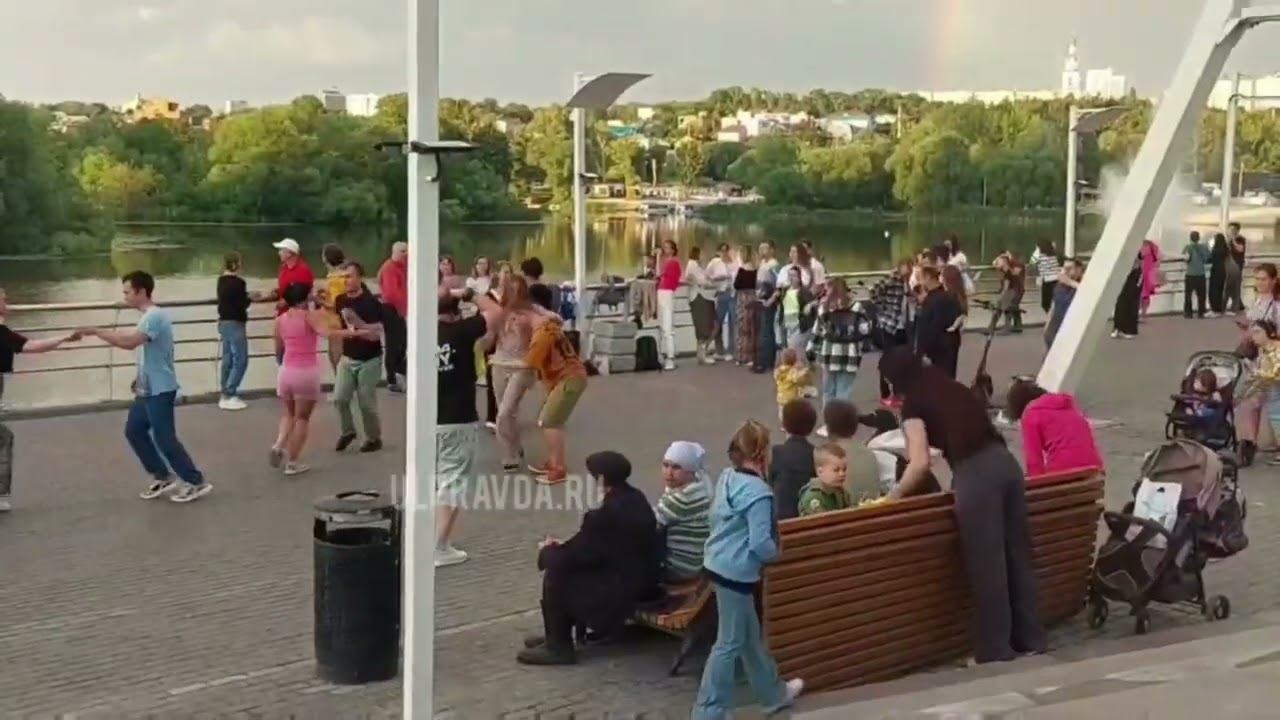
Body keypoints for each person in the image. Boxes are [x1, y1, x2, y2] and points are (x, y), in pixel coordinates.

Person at [879, 347, 1046, 663]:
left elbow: (919, 463)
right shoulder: (952, 387)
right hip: (1006, 466)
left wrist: (893, 496)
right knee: (1017, 556)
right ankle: (1032, 638)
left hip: (975, 475)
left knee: (988, 565)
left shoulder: (913, 404)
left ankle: (995, 649)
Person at [693, 421, 804, 718]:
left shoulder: (728, 478)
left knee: (749, 638)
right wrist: (777, 554)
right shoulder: (759, 493)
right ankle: (709, 710)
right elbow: (760, 543)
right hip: (738, 573)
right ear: (761, 453)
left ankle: (773, 693)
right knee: (729, 643)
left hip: (718, 564)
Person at [78, 271, 211, 503]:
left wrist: (97, 331)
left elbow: (130, 343)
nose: (125, 296)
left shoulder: (154, 317)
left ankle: (195, 481)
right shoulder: (146, 316)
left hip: (160, 389)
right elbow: (147, 353)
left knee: (165, 438)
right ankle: (162, 475)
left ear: (141, 291)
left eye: (127, 292)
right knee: (134, 431)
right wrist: (138, 378)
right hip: (147, 387)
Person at [517, 451, 659, 666]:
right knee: (562, 564)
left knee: (556, 573)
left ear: (602, 479)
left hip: (620, 587)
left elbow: (580, 554)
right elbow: (594, 547)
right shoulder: (636, 498)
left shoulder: (603, 515)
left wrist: (549, 551)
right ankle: (556, 633)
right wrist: (565, 546)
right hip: (642, 577)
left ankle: (559, 645)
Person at [436, 283, 507, 566]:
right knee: (453, 482)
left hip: (427, 418)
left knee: (436, 480)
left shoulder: (418, 332)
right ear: (456, 313)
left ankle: (429, 539)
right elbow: (496, 312)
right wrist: (467, 293)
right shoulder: (461, 331)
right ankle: (438, 545)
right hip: (458, 416)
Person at [272, 282, 371, 476]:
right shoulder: (309, 317)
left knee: (288, 413)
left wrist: (281, 364)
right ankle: (292, 462)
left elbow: (278, 347)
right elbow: (329, 333)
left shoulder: (280, 320)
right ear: (304, 298)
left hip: (286, 371)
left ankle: (278, 444)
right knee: (302, 418)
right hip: (306, 372)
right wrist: (357, 332)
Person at [0, 287, 81, 511]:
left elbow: (31, 346)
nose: (7, 301)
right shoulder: (2, 333)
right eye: (2, 299)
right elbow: (33, 347)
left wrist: (63, 338)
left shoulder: (4, 333)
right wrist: (65, 337)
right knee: (3, 438)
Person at [490, 275, 555, 473]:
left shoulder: (532, 309)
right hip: (499, 364)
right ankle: (514, 446)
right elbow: (487, 336)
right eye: (510, 289)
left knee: (504, 413)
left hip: (523, 366)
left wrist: (538, 323)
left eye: (518, 289)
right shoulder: (498, 311)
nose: (514, 294)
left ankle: (509, 454)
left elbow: (555, 319)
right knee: (506, 414)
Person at [526, 312, 589, 485]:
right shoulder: (551, 328)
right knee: (554, 420)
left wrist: (500, 361)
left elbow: (528, 364)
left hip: (568, 378)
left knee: (549, 421)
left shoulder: (541, 335)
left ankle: (559, 468)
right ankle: (554, 462)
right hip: (572, 376)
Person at [333, 262, 385, 454]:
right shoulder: (339, 300)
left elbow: (376, 334)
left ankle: (373, 438)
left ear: (360, 278)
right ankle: (348, 431)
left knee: (366, 402)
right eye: (344, 276)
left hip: (369, 359)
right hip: (348, 357)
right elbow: (338, 328)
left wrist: (357, 323)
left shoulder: (371, 303)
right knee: (339, 398)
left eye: (350, 276)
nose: (346, 280)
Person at [1004, 379, 1103, 477]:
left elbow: (1034, 462)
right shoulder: (1069, 407)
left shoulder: (1031, 413)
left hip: (1063, 471)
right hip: (1094, 470)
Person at [1231, 265, 1280, 463]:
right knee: (1252, 402)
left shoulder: (1276, 306)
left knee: (1274, 405)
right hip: (1256, 358)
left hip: (1273, 359)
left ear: (1273, 280)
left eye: (1263, 279)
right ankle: (1250, 442)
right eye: (1257, 279)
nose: (1260, 283)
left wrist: (1266, 337)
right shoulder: (1256, 302)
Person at [654, 441, 712, 583]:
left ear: (690, 471)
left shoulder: (684, 498)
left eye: (676, 467)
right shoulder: (700, 487)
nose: (669, 472)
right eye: (665, 465)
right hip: (696, 562)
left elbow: (649, 521)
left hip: (681, 568)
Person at [807, 278, 863, 421]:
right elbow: (865, 329)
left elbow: (817, 333)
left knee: (828, 391)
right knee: (844, 391)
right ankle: (842, 422)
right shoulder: (857, 307)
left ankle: (829, 423)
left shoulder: (824, 308)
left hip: (829, 354)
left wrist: (811, 353)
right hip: (850, 354)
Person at [870, 260, 915, 408]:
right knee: (888, 359)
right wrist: (882, 309)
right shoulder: (892, 278)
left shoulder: (911, 281)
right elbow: (873, 291)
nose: (908, 272)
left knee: (903, 359)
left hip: (905, 325)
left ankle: (899, 392)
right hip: (890, 325)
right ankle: (885, 393)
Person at [767, 399, 818, 521]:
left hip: (781, 520)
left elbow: (770, 483)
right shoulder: (816, 454)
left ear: (784, 424)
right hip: (807, 517)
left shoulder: (776, 453)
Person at [822, 400, 882, 504]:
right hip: (872, 514)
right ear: (855, 428)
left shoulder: (824, 458)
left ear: (827, 428)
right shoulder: (870, 455)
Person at [216, 252, 251, 410]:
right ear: (236, 265)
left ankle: (225, 391)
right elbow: (241, 303)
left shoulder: (221, 281)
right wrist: (251, 298)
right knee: (241, 359)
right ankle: (230, 392)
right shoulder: (238, 283)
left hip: (223, 322)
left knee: (228, 359)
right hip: (236, 322)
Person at [914, 266, 962, 379]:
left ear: (928, 278)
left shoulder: (936, 300)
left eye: (920, 278)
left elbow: (932, 328)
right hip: (947, 346)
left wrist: (923, 351)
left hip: (938, 350)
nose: (919, 282)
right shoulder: (945, 297)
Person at [377, 242, 409, 393]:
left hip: (398, 309)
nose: (406, 254)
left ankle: (398, 371)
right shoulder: (390, 267)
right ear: (394, 252)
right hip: (391, 309)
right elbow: (392, 293)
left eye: (407, 251)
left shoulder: (403, 266)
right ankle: (393, 376)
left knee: (401, 341)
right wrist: (404, 308)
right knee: (394, 342)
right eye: (403, 251)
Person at [263, 238, 315, 315]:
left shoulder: (303, 270)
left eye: (281, 250)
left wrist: (287, 301)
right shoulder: (283, 268)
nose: (279, 253)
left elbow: (304, 293)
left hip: (299, 315)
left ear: (289, 253)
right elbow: (284, 288)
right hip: (283, 313)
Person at [798, 443, 853, 517]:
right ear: (820, 471)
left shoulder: (841, 491)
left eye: (844, 469)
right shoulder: (813, 497)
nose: (842, 474)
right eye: (836, 470)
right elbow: (820, 523)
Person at [685, 246, 718, 365]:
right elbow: (699, 281)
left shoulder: (696, 266)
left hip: (703, 297)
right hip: (700, 297)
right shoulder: (693, 265)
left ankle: (701, 353)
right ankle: (702, 354)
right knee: (704, 325)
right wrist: (713, 284)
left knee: (707, 325)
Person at [318, 243, 348, 374]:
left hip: (335, 321)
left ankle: (341, 386)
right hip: (343, 320)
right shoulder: (345, 275)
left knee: (336, 356)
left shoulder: (335, 279)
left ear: (326, 258)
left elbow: (336, 303)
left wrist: (318, 300)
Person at [706, 243, 738, 362]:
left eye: (726, 250)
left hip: (733, 293)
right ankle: (718, 349)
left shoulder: (735, 263)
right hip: (721, 293)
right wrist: (715, 281)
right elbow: (707, 276)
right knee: (717, 321)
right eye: (722, 251)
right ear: (718, 251)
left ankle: (731, 350)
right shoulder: (715, 262)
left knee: (732, 322)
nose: (724, 253)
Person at [1044, 259, 1084, 350]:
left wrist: (1070, 282)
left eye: (1069, 268)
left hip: (1071, 324)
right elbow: (1054, 303)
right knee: (1049, 342)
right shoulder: (1060, 285)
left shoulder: (1082, 282)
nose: (1065, 271)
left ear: (1079, 269)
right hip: (1057, 321)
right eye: (1064, 268)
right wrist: (1048, 321)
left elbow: (1087, 291)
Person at [753, 242, 780, 374]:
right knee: (763, 330)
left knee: (766, 330)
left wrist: (771, 298)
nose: (761, 250)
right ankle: (763, 358)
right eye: (760, 248)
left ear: (771, 250)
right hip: (760, 299)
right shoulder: (762, 264)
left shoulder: (774, 265)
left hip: (768, 300)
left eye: (764, 248)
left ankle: (766, 360)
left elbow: (777, 284)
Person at [656, 240, 682, 371]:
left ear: (672, 250)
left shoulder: (672, 262)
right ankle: (664, 354)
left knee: (667, 327)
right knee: (663, 325)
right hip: (663, 292)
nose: (665, 250)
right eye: (664, 248)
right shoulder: (668, 262)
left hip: (667, 293)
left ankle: (670, 358)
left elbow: (658, 273)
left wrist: (657, 258)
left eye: (667, 248)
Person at [777, 266, 816, 353]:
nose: (791, 278)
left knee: (795, 351)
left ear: (799, 278)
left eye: (794, 276)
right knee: (792, 352)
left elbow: (815, 302)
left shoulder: (803, 291)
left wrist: (809, 305)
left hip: (800, 325)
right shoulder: (784, 291)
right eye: (789, 275)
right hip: (787, 325)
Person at [941, 264, 969, 379]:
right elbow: (962, 314)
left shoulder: (947, 297)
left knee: (944, 369)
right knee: (951, 369)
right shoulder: (959, 295)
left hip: (945, 337)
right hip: (954, 337)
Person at [733, 244, 758, 366]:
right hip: (752, 297)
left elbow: (736, 285)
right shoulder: (755, 270)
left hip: (742, 298)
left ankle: (741, 355)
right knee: (751, 327)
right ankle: (751, 356)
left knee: (741, 327)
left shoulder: (742, 270)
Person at [773, 349, 812, 423]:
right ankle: (790, 424)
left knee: (782, 411)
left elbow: (776, 377)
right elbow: (797, 378)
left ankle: (784, 424)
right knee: (792, 412)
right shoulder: (792, 371)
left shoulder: (779, 370)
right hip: (791, 397)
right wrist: (804, 370)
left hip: (781, 396)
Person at [1111, 254, 1142, 339]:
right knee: (1121, 300)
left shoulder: (1138, 247)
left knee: (1132, 301)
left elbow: (1140, 260)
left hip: (1135, 273)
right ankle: (1117, 327)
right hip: (1123, 272)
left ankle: (1129, 329)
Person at [993, 253, 1025, 334]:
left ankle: (1007, 328)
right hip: (1012, 289)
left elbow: (1015, 273)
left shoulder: (1017, 264)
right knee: (1013, 306)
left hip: (1017, 289)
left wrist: (1007, 268)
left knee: (1009, 307)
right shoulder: (1006, 269)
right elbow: (1006, 283)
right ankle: (1018, 326)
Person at [1030, 239, 1062, 315]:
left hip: (1047, 280)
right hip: (1057, 279)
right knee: (1056, 300)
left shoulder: (1038, 253)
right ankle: (1057, 314)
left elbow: (1032, 262)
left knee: (1046, 303)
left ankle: (1051, 316)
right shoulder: (1054, 253)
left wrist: (1037, 250)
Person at [1183, 231, 1210, 319]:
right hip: (1201, 273)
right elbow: (1207, 259)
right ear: (1198, 238)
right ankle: (1201, 312)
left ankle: (1188, 313)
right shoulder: (1203, 247)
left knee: (1188, 295)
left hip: (1190, 273)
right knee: (1201, 295)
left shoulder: (1187, 248)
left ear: (1190, 238)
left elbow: (1185, 259)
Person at [1226, 222, 1247, 313]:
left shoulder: (1240, 239)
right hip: (1230, 265)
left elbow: (1240, 249)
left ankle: (1235, 308)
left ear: (1236, 230)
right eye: (1229, 229)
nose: (1230, 231)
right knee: (1230, 286)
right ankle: (1240, 305)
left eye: (1232, 230)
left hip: (1238, 265)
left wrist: (1233, 241)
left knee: (1236, 286)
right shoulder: (1229, 240)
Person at [1139, 238, 1162, 318]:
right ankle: (1144, 313)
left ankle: (1140, 313)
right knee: (1146, 295)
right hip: (1150, 274)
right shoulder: (1153, 246)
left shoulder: (1139, 246)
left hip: (1141, 273)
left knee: (1140, 294)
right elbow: (1159, 258)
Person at [1208, 232, 1229, 317]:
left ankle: (1214, 310)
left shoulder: (1215, 249)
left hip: (1216, 270)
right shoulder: (1225, 248)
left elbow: (1210, 259)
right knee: (1219, 290)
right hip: (1223, 270)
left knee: (1213, 290)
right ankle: (1218, 309)